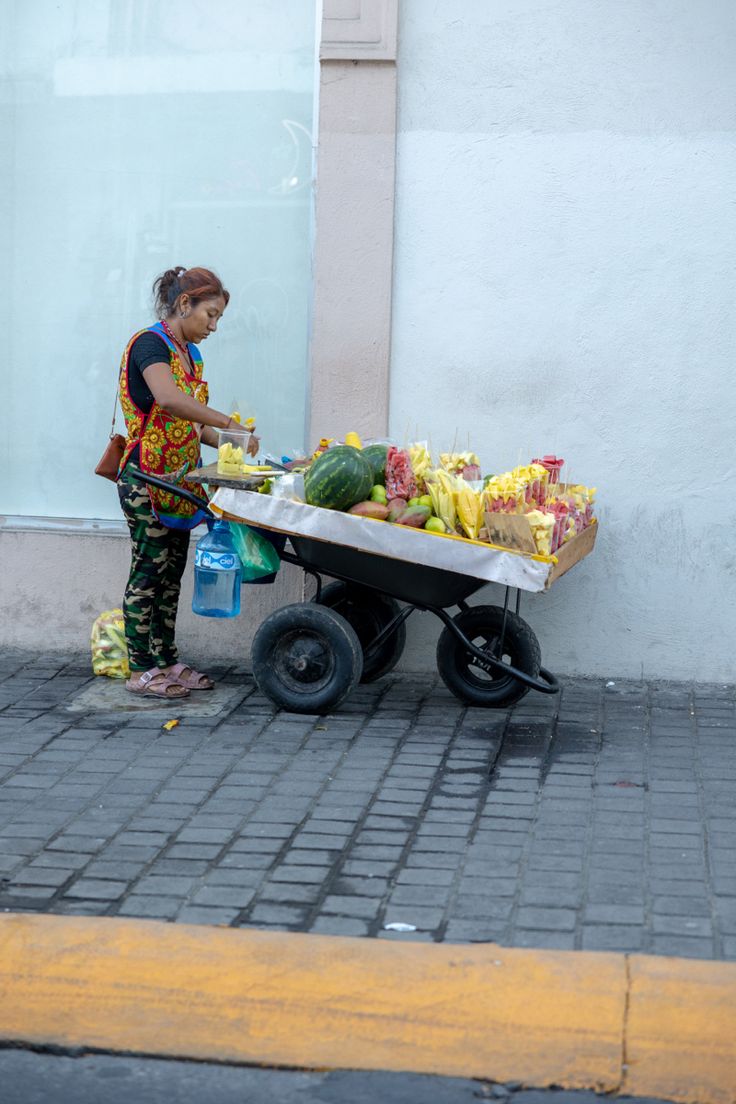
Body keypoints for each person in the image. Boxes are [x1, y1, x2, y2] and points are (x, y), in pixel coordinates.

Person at [116, 266, 257, 700]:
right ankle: (140, 667)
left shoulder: (190, 355)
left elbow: (194, 427)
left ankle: (167, 660)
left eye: (218, 319)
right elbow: (171, 401)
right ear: (184, 305)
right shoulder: (149, 345)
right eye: (209, 315)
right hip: (144, 479)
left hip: (179, 484)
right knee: (148, 570)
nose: (213, 326)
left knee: (172, 574)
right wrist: (228, 421)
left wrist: (234, 441)